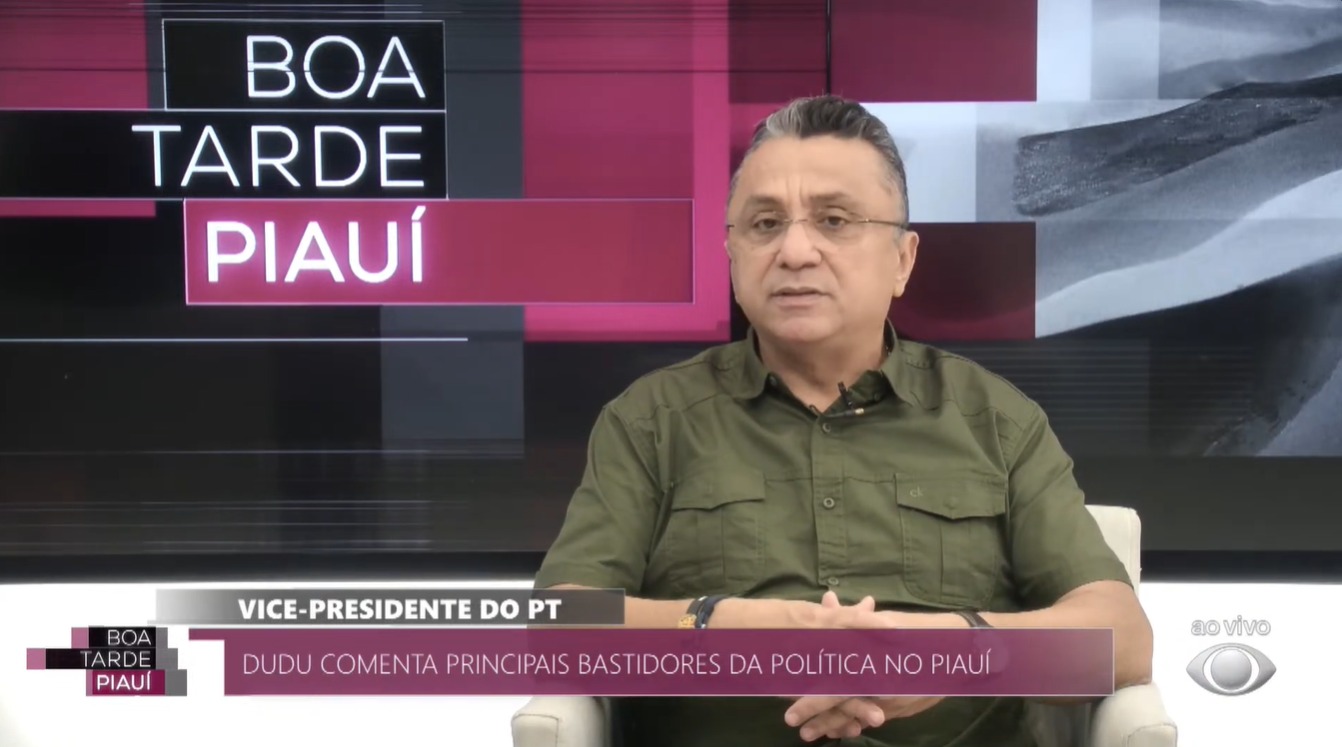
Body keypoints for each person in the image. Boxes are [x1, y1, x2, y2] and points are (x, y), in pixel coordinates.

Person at [533, 95, 1154, 747]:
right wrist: (714, 628)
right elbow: (555, 627)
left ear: (902, 260)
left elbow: (1123, 638)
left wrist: (962, 649)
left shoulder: (996, 421)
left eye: (834, 220)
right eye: (765, 224)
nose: (795, 250)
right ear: (732, 253)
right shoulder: (651, 422)